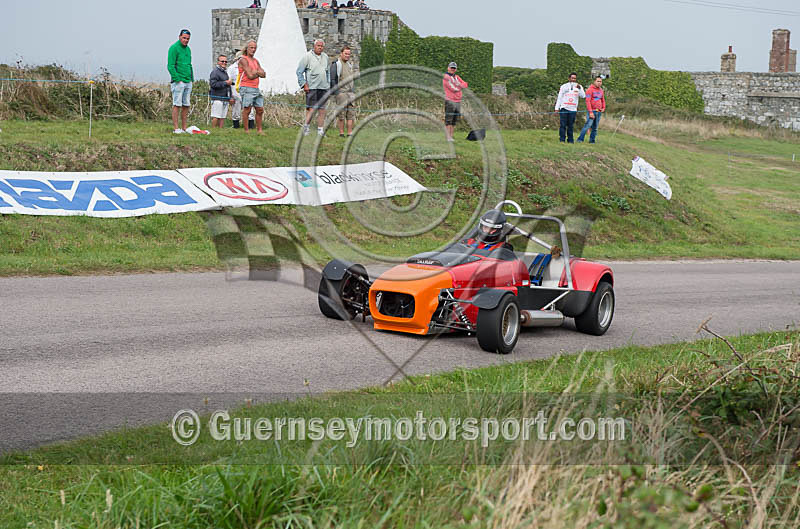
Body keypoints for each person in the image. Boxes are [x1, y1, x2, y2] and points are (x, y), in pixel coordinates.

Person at [296, 39, 331, 136]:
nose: (320, 48)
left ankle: (320, 130)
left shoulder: (326, 57)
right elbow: (299, 72)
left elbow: (327, 71)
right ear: (314, 46)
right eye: (318, 46)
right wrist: (304, 84)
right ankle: (306, 128)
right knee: (311, 109)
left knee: (322, 109)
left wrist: (328, 84)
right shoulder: (307, 57)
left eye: (321, 46)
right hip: (312, 87)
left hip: (323, 87)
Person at [167, 29, 194, 134]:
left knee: (186, 104)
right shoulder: (174, 48)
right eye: (184, 38)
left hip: (188, 80)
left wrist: (191, 78)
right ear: (179, 37)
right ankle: (176, 128)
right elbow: (170, 65)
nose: (186, 40)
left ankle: (184, 127)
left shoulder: (188, 49)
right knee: (177, 104)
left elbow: (189, 64)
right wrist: (177, 79)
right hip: (179, 81)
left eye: (187, 39)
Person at [238, 40, 266, 134]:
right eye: (251, 47)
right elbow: (249, 75)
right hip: (246, 87)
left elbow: (264, 74)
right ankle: (246, 130)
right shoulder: (243, 59)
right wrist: (258, 72)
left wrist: (256, 72)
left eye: (255, 48)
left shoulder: (255, 61)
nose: (253, 50)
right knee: (247, 109)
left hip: (255, 87)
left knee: (260, 109)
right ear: (247, 48)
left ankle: (259, 130)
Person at [329, 45, 356, 136]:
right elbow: (332, 79)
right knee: (341, 114)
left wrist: (353, 90)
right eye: (346, 53)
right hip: (341, 93)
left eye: (349, 54)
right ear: (341, 53)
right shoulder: (336, 64)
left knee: (351, 114)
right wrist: (337, 92)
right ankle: (341, 133)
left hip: (350, 93)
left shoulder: (349, 64)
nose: (347, 55)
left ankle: (349, 133)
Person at [554, 72, 585, 143]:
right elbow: (559, 98)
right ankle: (562, 139)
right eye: (572, 78)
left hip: (573, 109)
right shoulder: (564, 86)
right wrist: (556, 108)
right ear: (569, 78)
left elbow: (583, 96)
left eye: (575, 78)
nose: (573, 79)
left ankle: (570, 140)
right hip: (564, 108)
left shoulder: (579, 86)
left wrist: (580, 89)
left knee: (570, 125)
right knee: (563, 125)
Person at [442, 62, 468, 142]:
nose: (453, 69)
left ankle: (451, 136)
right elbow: (453, 88)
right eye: (451, 68)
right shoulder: (446, 77)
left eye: (454, 68)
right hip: (450, 101)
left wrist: (459, 85)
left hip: (458, 101)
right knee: (448, 119)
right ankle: (448, 137)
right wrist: (460, 86)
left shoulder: (456, 77)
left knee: (454, 119)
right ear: (448, 68)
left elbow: (465, 84)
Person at [209, 55, 235, 128]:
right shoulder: (215, 72)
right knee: (216, 116)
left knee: (223, 117)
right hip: (217, 98)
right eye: (222, 61)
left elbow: (228, 86)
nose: (224, 63)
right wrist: (225, 83)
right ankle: (213, 130)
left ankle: (220, 130)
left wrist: (230, 97)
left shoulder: (225, 72)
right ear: (218, 62)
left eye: (226, 61)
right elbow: (213, 84)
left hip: (225, 98)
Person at [578, 76, 605, 144]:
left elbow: (602, 100)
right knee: (588, 125)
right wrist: (590, 112)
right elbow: (588, 101)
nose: (599, 83)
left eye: (600, 81)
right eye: (598, 81)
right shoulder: (589, 90)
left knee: (595, 128)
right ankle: (580, 139)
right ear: (594, 81)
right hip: (592, 111)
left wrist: (603, 107)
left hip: (598, 111)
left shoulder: (601, 90)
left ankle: (592, 141)